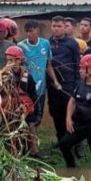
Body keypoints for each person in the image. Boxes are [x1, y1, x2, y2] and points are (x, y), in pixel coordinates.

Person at [60, 54, 91, 169]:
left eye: (82, 68)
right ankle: (71, 167)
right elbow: (72, 101)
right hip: (79, 125)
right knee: (64, 144)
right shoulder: (80, 83)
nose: (80, 71)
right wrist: (68, 118)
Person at [19, 20, 59, 158]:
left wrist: (55, 81)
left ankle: (31, 145)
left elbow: (48, 65)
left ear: (38, 30)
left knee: (38, 117)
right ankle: (33, 149)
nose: (31, 33)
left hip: (41, 89)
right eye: (28, 31)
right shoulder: (21, 46)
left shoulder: (45, 44)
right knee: (28, 117)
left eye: (33, 30)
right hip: (26, 89)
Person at [48, 15, 80, 144]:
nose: (56, 29)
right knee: (56, 112)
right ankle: (61, 140)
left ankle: (76, 142)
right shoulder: (47, 42)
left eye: (59, 26)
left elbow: (77, 64)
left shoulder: (72, 43)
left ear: (64, 27)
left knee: (72, 112)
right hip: (52, 85)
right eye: (54, 26)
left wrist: (78, 84)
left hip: (69, 83)